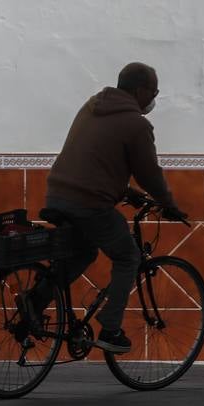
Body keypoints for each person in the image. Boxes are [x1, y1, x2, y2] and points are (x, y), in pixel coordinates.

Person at [39, 61, 187, 354]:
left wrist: (123, 190)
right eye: (154, 91)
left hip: (57, 195)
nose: (154, 98)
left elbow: (92, 160)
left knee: (82, 253)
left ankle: (34, 301)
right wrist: (169, 204)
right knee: (128, 257)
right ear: (140, 89)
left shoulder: (91, 105)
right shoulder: (137, 124)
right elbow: (149, 173)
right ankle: (110, 327)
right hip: (89, 204)